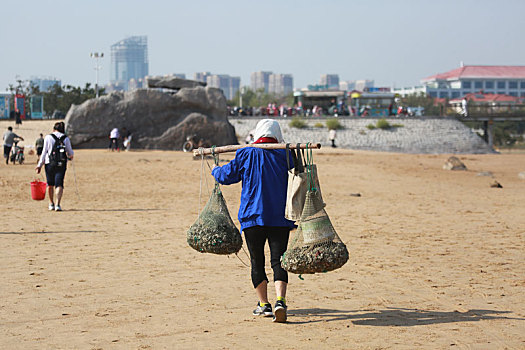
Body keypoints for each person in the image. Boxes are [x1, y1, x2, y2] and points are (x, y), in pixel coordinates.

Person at [211, 119, 295, 323]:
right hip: (280, 218)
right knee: (279, 260)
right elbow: (299, 175)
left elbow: (227, 176)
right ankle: (280, 301)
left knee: (257, 261)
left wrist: (215, 169)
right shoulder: (286, 153)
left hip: (252, 217)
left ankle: (263, 305)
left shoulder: (246, 153)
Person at [35, 122, 74, 212]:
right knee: (59, 184)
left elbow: (44, 152)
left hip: (49, 164)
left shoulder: (48, 137)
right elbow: (70, 152)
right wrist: (71, 156)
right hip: (61, 163)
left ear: (54, 129)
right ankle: (58, 204)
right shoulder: (66, 138)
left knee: (50, 184)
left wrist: (39, 165)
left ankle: (51, 203)